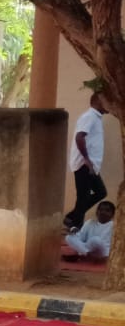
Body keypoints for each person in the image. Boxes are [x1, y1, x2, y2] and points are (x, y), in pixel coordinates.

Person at [66, 92, 109, 231]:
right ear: (98, 101)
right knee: (83, 197)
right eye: (106, 101)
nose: (109, 104)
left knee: (100, 192)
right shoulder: (90, 116)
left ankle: (71, 218)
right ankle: (75, 226)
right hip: (84, 164)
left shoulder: (96, 118)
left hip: (91, 165)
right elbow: (80, 137)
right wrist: (87, 160)